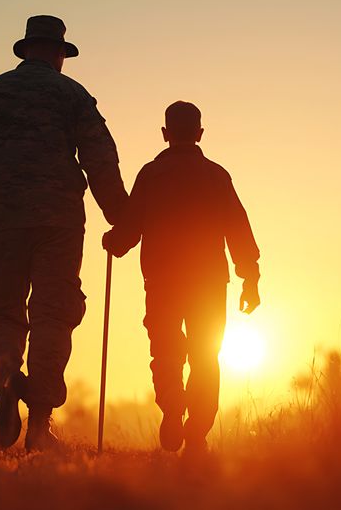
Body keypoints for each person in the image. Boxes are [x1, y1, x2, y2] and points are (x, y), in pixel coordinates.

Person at [0, 15, 128, 451]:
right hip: (60, 223)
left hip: (5, 222)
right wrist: (121, 218)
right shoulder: (72, 95)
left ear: (26, 50)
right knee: (54, 313)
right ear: (59, 54)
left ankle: (7, 376)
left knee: (5, 310)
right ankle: (41, 423)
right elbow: (100, 158)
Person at [102, 101, 260, 454]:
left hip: (162, 280)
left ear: (165, 134)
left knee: (166, 349)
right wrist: (250, 278)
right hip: (208, 282)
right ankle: (198, 432)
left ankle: (172, 409)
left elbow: (129, 231)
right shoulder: (217, 175)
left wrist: (113, 241)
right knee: (206, 354)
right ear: (200, 134)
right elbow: (239, 229)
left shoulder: (151, 175)